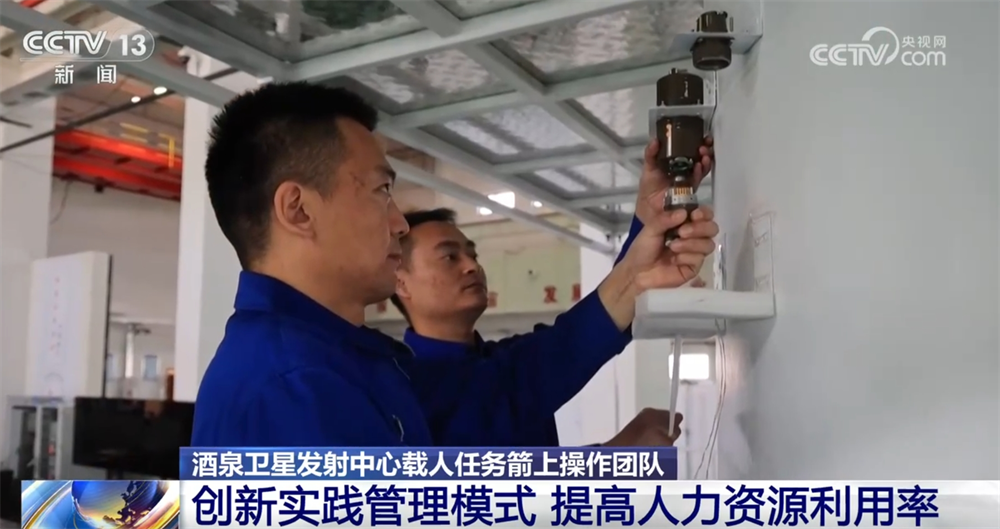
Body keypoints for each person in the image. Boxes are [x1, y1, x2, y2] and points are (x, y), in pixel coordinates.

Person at [191, 82, 719, 447]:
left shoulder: (341, 362)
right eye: (380, 191)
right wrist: (607, 469)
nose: (398, 223)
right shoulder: (292, 386)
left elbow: (525, 381)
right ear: (298, 209)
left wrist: (636, 274)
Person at [393, 139, 714, 447]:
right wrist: (611, 457)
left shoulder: (501, 359)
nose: (472, 266)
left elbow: (573, 338)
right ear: (400, 282)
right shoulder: (408, 390)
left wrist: (649, 215)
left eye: (472, 254)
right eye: (449, 257)